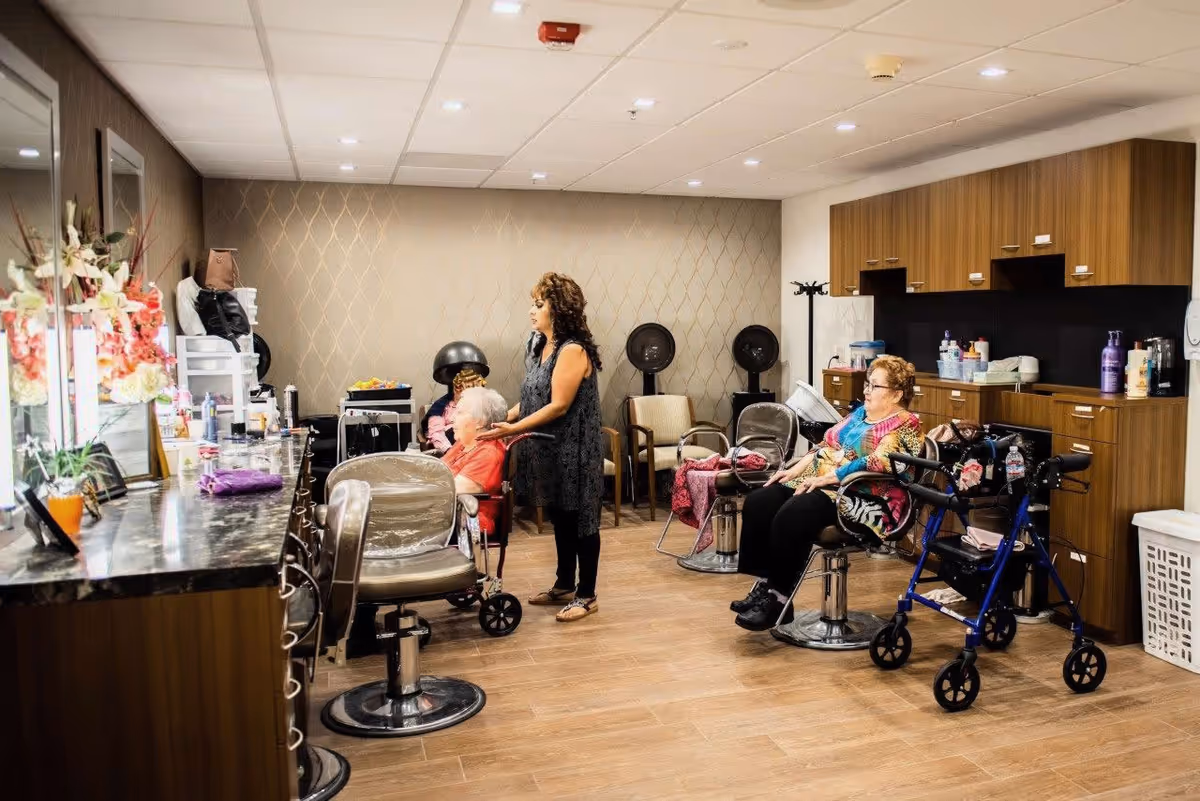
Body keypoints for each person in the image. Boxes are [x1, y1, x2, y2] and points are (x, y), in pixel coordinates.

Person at [730, 355, 923, 631]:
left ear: (897, 394)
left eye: (875, 386)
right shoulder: (859, 415)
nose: (866, 390)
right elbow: (825, 444)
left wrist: (831, 477)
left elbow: (881, 461)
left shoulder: (907, 425)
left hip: (867, 497)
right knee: (761, 501)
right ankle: (765, 587)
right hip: (826, 484)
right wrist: (793, 471)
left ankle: (779, 597)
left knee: (793, 514)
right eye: (867, 384)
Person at [479, 272, 603, 623]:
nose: (532, 312)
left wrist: (514, 427)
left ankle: (587, 594)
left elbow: (558, 405)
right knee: (561, 516)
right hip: (549, 447)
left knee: (582, 520)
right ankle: (564, 584)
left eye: (538, 304)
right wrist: (500, 422)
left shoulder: (573, 350)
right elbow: (532, 398)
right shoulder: (536, 345)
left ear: (558, 309)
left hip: (576, 449)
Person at [441, 386, 508, 537]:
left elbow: (451, 488)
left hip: (465, 519)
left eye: (459, 413)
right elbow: (437, 471)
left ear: (479, 422)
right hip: (444, 511)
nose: (451, 418)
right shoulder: (464, 443)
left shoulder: (488, 453)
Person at [423, 367, 487, 454]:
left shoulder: (483, 407)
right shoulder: (441, 407)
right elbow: (436, 432)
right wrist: (449, 450)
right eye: (460, 397)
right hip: (448, 450)